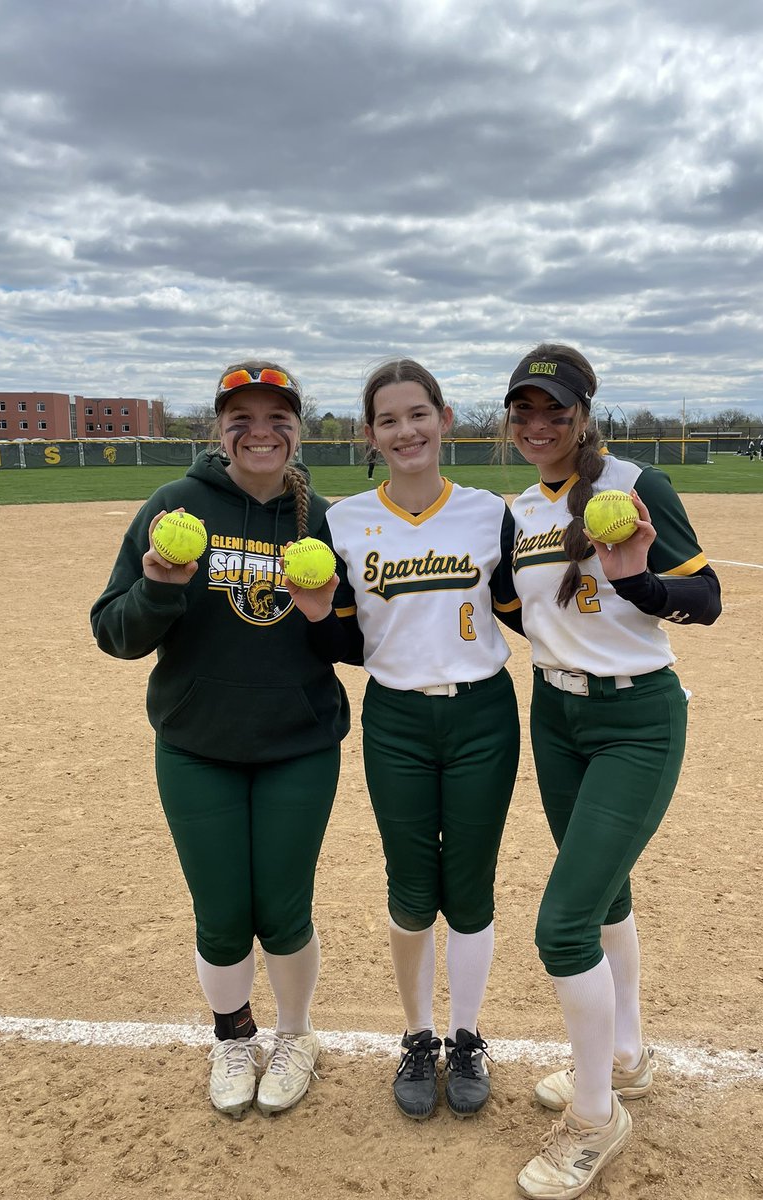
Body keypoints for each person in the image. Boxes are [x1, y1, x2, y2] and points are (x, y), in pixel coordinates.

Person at [90, 361, 350, 1120]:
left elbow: (358, 640)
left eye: (278, 416)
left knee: (284, 909)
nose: (260, 430)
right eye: (242, 416)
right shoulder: (175, 506)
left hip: (298, 743)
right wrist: (160, 590)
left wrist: (323, 616)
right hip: (197, 744)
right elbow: (114, 632)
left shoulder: (324, 520)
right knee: (222, 913)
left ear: (298, 429)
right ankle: (232, 1035)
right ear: (219, 427)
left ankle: (296, 1035)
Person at [501, 344, 721, 1200]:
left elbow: (706, 599)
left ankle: (597, 1116)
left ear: (585, 413)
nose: (538, 425)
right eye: (524, 411)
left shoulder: (634, 486)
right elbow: (517, 607)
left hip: (636, 721)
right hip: (556, 716)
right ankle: (625, 1060)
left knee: (562, 927)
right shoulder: (522, 505)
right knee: (607, 898)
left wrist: (637, 588)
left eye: (554, 409)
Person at [292, 358, 521, 1121]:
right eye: (387, 420)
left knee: (471, 884)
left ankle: (467, 1036)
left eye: (417, 414)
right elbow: (351, 641)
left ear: (445, 418)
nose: (405, 431)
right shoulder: (345, 520)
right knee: (412, 886)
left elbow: (529, 613)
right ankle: (418, 1036)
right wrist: (320, 617)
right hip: (394, 719)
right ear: (369, 434)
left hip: (484, 713)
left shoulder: (490, 512)